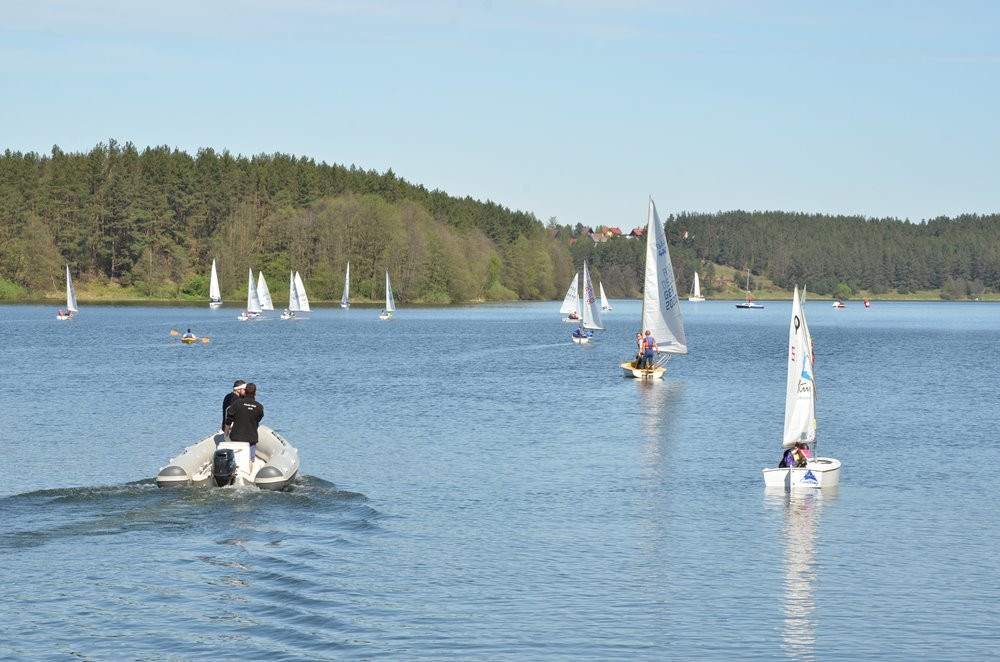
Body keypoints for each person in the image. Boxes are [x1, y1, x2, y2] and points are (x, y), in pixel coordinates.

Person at [225, 382, 264, 473]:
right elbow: (258, 418)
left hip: (236, 437)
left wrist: (226, 431)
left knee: (235, 456)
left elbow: (229, 417)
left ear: (245, 391)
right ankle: (248, 474)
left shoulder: (237, 403)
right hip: (251, 438)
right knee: (251, 459)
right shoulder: (259, 407)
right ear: (255, 393)